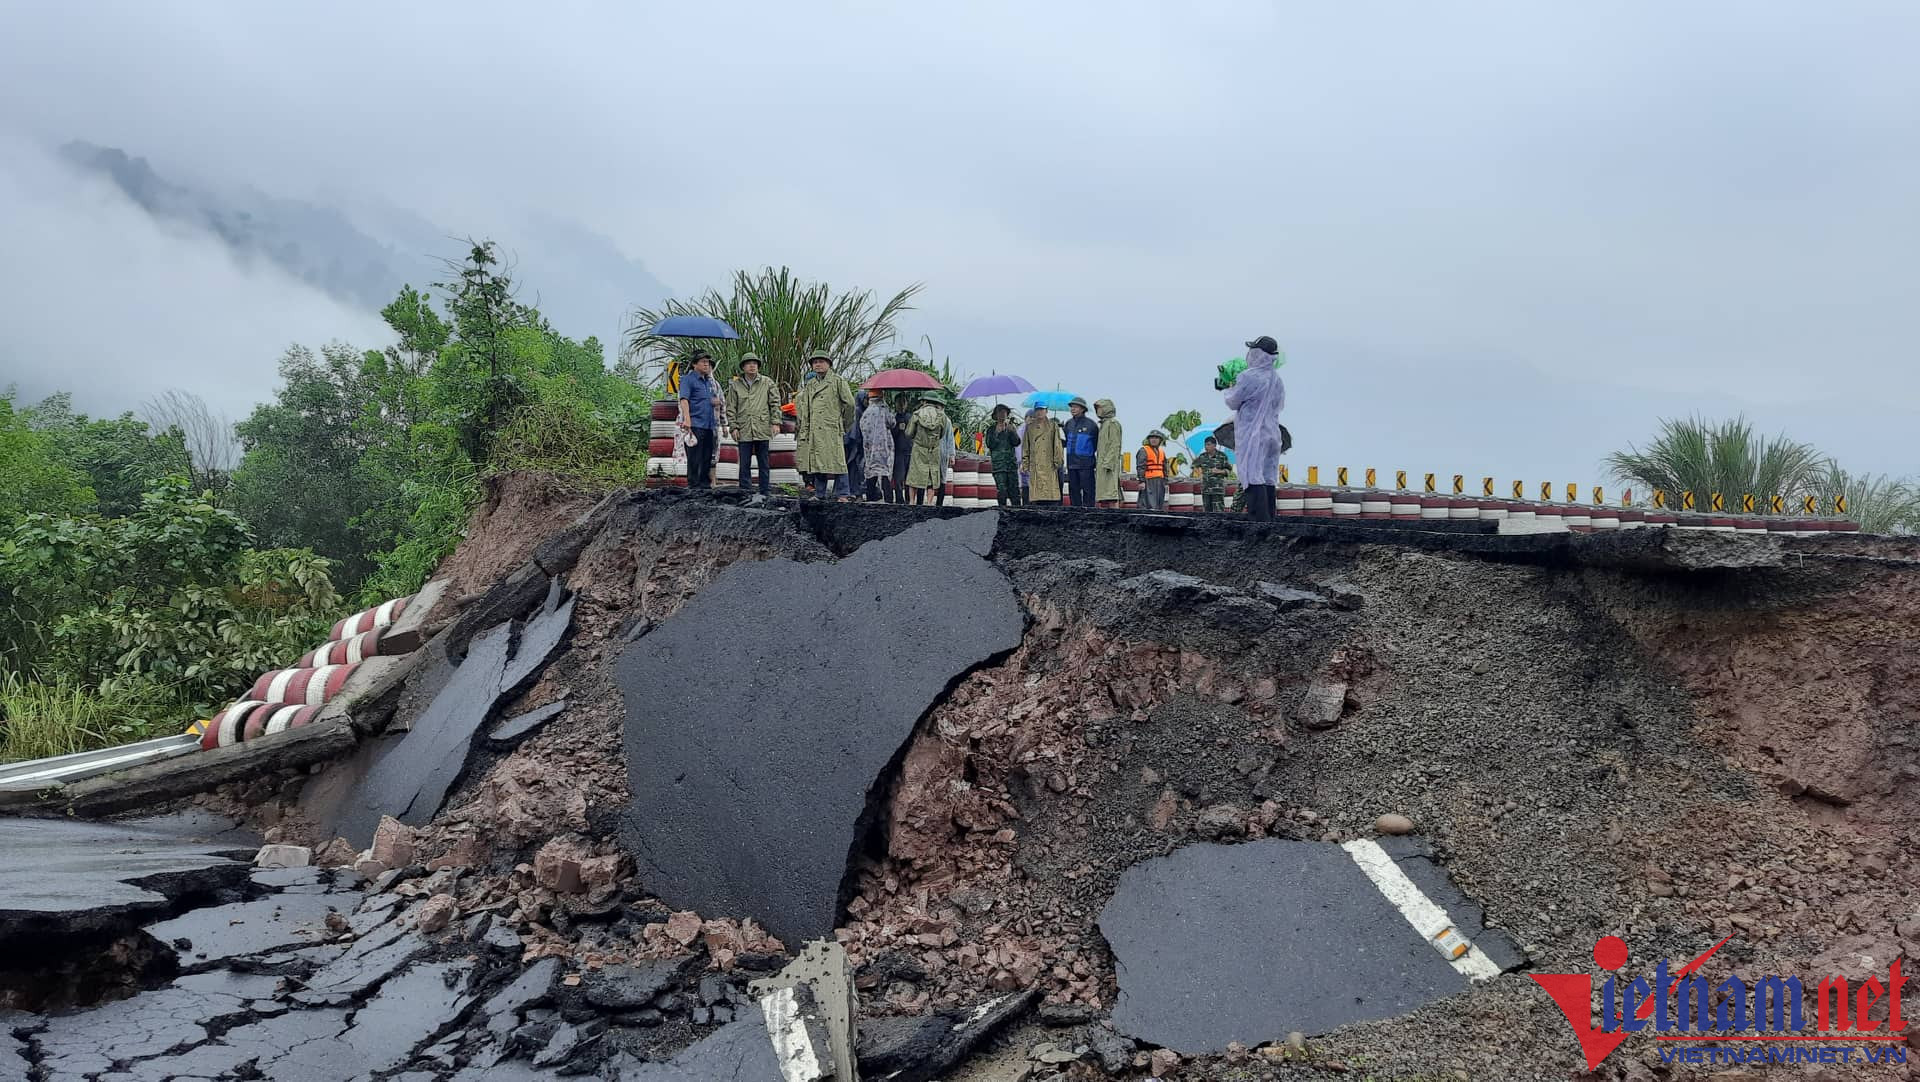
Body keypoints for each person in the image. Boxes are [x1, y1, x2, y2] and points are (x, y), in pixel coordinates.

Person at [1224, 334, 1286, 521]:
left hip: (1253, 434)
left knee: (1252, 475)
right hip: (1273, 434)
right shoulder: (1277, 379)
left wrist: (1230, 386)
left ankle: (1258, 523)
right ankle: (1269, 520)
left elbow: (1233, 401)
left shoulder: (1248, 377)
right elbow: (1279, 405)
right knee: (1268, 477)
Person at [794, 349, 856, 500]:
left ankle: (843, 494)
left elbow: (850, 404)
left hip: (831, 429)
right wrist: (805, 429)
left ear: (828, 364)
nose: (818, 365)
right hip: (814, 430)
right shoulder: (811, 384)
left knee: (837, 462)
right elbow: (806, 408)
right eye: (815, 362)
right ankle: (820, 493)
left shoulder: (837, 381)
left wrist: (843, 424)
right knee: (817, 463)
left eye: (821, 361)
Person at [725, 353, 780, 500]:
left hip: (762, 427)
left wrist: (775, 422)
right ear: (743, 367)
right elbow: (731, 408)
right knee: (744, 463)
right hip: (744, 428)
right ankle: (745, 492)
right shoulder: (735, 386)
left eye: (755, 363)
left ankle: (765, 491)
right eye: (748, 363)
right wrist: (733, 427)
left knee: (764, 461)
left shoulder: (767, 382)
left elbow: (775, 403)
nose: (752, 366)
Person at [677, 350, 722, 490]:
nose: (706, 365)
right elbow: (684, 400)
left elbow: (710, 400)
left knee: (707, 456)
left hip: (709, 424)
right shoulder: (688, 379)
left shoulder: (709, 382)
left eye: (708, 363)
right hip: (695, 423)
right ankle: (694, 486)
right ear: (694, 364)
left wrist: (715, 402)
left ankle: (704, 486)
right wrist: (687, 419)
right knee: (695, 458)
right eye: (703, 362)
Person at [904, 393, 946, 505]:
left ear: (924, 401)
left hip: (919, 449)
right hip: (933, 449)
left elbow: (908, 433)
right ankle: (929, 502)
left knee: (914, 476)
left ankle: (912, 502)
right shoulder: (942, 416)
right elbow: (942, 434)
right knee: (931, 477)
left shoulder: (917, 414)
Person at [1062, 396, 1099, 509]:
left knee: (1088, 490)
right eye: (1071, 407)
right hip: (1071, 464)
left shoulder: (1091, 425)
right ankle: (1075, 513)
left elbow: (1097, 443)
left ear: (1083, 409)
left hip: (1086, 464)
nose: (1072, 409)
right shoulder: (1068, 424)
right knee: (1073, 490)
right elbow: (1064, 442)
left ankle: (1090, 512)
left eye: (1075, 407)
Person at [1024, 405, 1065, 506]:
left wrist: (1058, 461)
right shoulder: (1029, 427)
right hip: (1035, 465)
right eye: (1037, 410)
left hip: (1049, 464)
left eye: (1042, 409)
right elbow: (1026, 447)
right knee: (1037, 498)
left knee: (1050, 497)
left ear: (1046, 411)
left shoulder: (1053, 426)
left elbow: (1057, 446)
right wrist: (1025, 464)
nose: (1039, 412)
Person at [860, 389, 895, 502]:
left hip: (870, 448)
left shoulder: (867, 412)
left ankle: (871, 498)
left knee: (871, 471)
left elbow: (862, 426)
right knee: (885, 472)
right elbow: (892, 423)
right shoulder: (884, 409)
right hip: (884, 447)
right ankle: (889, 500)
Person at [984, 404, 1022, 506]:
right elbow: (989, 444)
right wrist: (997, 433)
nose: (1002, 414)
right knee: (1002, 491)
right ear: (996, 415)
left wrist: (1011, 430)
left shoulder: (1010, 427)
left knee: (1015, 491)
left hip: (1011, 465)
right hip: (999, 466)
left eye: (1004, 412)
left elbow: (1017, 442)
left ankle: (1018, 513)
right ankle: (1002, 512)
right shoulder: (991, 430)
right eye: (1000, 412)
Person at [1093, 399, 1123, 508]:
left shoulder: (1113, 424)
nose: (1098, 411)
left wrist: (1108, 463)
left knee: (1111, 493)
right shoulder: (1103, 425)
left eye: (1100, 408)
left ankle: (1115, 516)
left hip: (1109, 466)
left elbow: (1115, 445)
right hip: (1101, 465)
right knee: (1103, 495)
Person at [1192, 436, 1233, 512]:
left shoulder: (1222, 456)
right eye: (1205, 445)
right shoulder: (1202, 457)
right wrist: (1200, 473)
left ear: (1214, 445)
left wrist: (1219, 471)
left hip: (1217, 490)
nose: (1206, 447)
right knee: (1207, 512)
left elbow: (1229, 470)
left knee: (1219, 512)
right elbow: (1194, 466)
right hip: (1206, 489)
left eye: (1208, 445)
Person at [1135, 429, 1169, 510]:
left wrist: (1166, 482)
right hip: (1148, 481)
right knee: (1147, 503)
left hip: (1160, 481)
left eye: (1156, 438)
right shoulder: (1143, 450)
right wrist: (1142, 481)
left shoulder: (1162, 452)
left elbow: (1165, 468)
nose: (1154, 440)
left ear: (1160, 440)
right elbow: (1140, 467)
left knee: (1159, 504)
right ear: (1149, 439)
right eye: (1152, 438)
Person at [889, 396, 913, 504]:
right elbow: (890, 435)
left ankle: (908, 499)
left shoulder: (910, 417)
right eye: (900, 403)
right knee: (898, 477)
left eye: (903, 402)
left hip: (909, 450)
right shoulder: (893, 417)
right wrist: (898, 429)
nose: (902, 405)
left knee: (909, 477)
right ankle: (899, 498)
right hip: (898, 451)